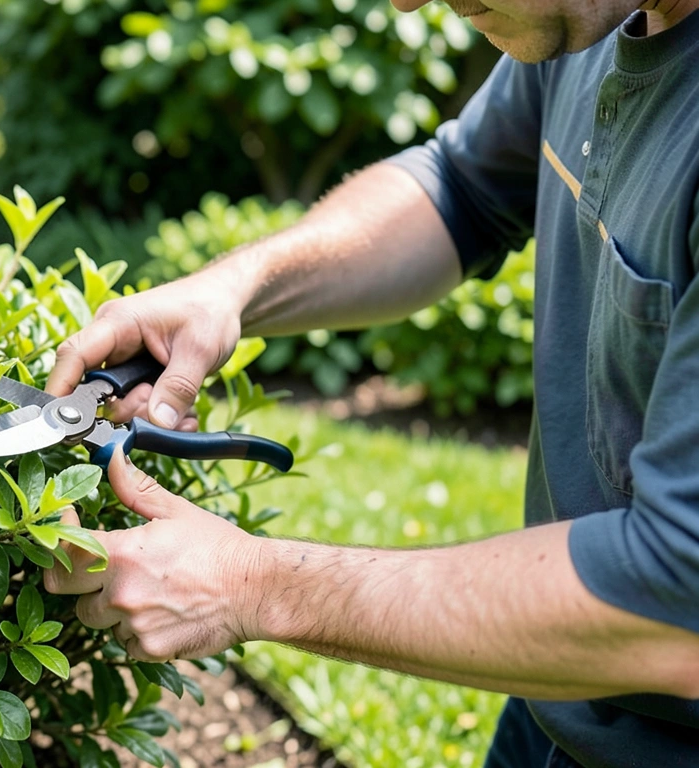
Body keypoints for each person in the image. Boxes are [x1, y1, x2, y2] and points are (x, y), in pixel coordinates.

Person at [40, 1, 699, 766]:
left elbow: (672, 597)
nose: (407, 3)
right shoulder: (585, 21)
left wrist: (253, 585)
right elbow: (461, 186)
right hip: (554, 689)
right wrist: (233, 288)